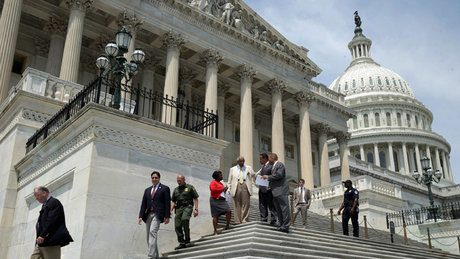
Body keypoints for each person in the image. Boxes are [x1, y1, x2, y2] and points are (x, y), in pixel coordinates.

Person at [31, 186, 73, 259]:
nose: (36, 198)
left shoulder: (54, 202)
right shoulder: (45, 205)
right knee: (34, 257)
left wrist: (43, 235)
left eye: (37, 195)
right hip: (41, 241)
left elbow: (51, 221)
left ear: (44, 193)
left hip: (50, 240)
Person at [138, 171, 171, 259]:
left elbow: (167, 203)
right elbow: (143, 204)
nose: (154, 179)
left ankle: (151, 255)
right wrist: (140, 216)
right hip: (148, 214)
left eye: (156, 178)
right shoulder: (147, 190)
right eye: (153, 178)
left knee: (153, 232)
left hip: (158, 214)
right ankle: (155, 256)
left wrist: (167, 216)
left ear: (159, 178)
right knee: (148, 235)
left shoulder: (164, 188)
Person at [263, 153, 290, 233]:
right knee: (278, 209)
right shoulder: (273, 166)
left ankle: (286, 226)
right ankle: (282, 225)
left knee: (284, 209)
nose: (268, 160)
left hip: (281, 190)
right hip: (275, 191)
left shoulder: (280, 165)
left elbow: (279, 175)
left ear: (272, 158)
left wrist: (268, 177)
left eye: (269, 159)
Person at [170, 175, 199, 250]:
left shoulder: (190, 187)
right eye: (177, 181)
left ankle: (187, 239)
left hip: (188, 207)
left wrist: (196, 209)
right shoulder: (176, 190)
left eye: (180, 181)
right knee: (177, 225)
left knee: (185, 219)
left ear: (184, 180)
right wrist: (170, 210)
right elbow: (173, 201)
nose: (178, 182)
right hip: (179, 208)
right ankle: (182, 243)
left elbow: (195, 198)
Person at [228, 156, 256, 224]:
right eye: (240, 161)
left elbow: (254, 175)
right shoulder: (232, 169)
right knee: (237, 204)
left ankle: (244, 219)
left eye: (243, 161)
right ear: (237, 162)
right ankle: (237, 220)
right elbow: (229, 180)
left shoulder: (248, 168)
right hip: (236, 185)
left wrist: (253, 175)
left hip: (245, 185)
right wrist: (229, 188)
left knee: (246, 203)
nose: (242, 162)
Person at [257, 153, 277, 225]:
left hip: (268, 189)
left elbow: (273, 176)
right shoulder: (263, 167)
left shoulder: (271, 166)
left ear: (265, 159)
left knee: (271, 204)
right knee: (262, 204)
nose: (260, 161)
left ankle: (273, 219)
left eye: (261, 159)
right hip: (262, 188)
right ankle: (263, 218)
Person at [209, 170, 231, 235]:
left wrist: (225, 190)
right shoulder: (213, 182)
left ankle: (227, 226)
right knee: (215, 215)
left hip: (222, 200)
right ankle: (215, 230)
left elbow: (221, 191)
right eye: (221, 175)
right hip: (215, 200)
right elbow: (213, 189)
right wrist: (222, 189)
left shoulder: (221, 183)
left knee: (228, 211)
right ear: (217, 176)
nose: (222, 176)